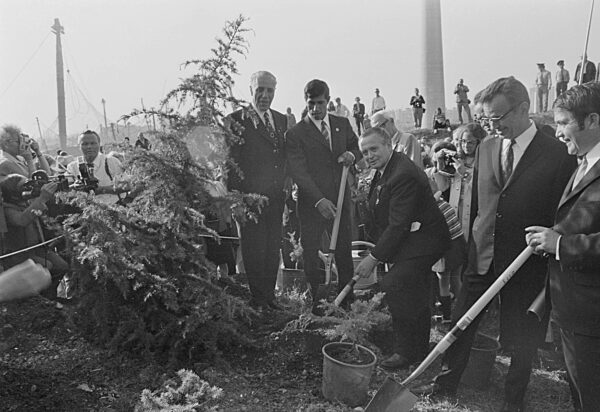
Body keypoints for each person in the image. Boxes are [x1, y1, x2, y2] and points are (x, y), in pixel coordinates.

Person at [414, 76, 577, 412]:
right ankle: (446, 384)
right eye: (485, 119)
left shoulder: (556, 153)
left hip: (526, 259)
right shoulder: (487, 146)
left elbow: (563, 211)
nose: (492, 126)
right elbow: (478, 205)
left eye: (499, 118)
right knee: (462, 319)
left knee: (522, 335)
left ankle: (513, 397)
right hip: (482, 255)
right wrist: (467, 245)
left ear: (523, 109)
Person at [525, 82, 600, 411]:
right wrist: (552, 237)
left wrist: (561, 245)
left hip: (592, 316)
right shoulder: (582, 164)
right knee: (581, 396)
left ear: (593, 121)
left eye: (563, 122)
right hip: (570, 309)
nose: (557, 133)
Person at [354, 126, 449, 369]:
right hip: (412, 238)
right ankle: (418, 350)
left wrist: (373, 258)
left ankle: (404, 352)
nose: (369, 155)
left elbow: (398, 225)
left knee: (394, 284)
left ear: (389, 145)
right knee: (414, 291)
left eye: (374, 149)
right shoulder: (386, 168)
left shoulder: (402, 174)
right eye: (365, 152)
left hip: (426, 240)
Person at [286, 79, 360, 313]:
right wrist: (319, 200)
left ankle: (346, 300)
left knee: (343, 250)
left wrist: (352, 155)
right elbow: (299, 172)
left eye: (320, 103)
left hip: (339, 200)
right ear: (305, 102)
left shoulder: (342, 124)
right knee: (310, 252)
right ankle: (315, 299)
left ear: (328, 101)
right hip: (312, 204)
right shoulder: (296, 133)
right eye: (311, 103)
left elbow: (356, 147)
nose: (316, 108)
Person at [227, 70, 287, 311]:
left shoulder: (281, 120)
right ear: (251, 90)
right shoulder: (235, 120)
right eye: (259, 90)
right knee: (254, 250)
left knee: (273, 248)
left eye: (269, 90)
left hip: (274, 198)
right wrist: (236, 200)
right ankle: (258, 299)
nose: (264, 95)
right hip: (249, 200)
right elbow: (229, 164)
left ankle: (269, 297)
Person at [66, 130, 125, 202]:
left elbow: (125, 186)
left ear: (99, 144)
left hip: (114, 207)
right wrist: (75, 187)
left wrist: (101, 190)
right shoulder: (72, 167)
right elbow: (66, 190)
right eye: (85, 144)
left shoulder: (111, 162)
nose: (89, 147)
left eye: (93, 143)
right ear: (79, 146)